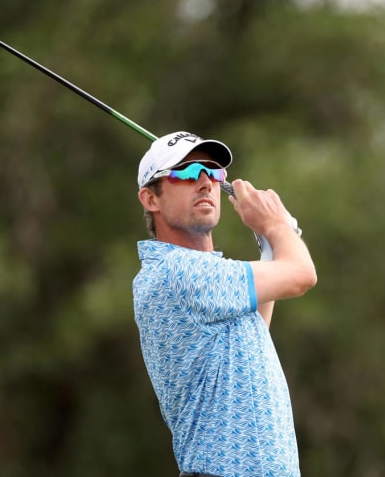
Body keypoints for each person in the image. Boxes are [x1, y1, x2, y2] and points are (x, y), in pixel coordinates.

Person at [133, 131, 317, 477]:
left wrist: (270, 247)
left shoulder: (207, 276)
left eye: (213, 172)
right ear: (150, 199)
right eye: (186, 172)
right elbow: (302, 274)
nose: (204, 182)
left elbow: (252, 336)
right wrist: (277, 227)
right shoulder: (180, 272)